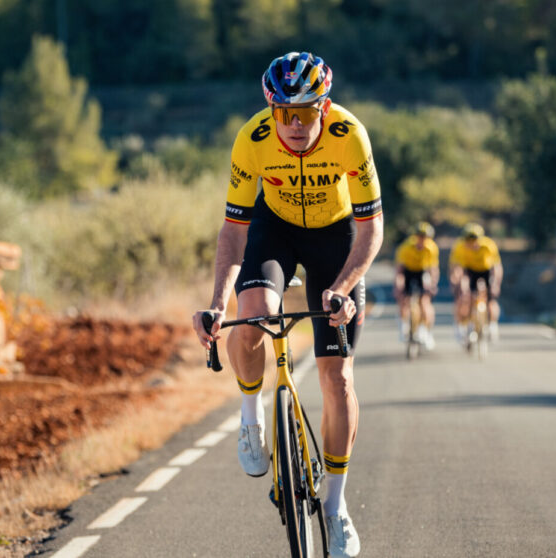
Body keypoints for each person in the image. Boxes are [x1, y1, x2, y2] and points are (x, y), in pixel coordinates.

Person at [192, 51, 382, 558]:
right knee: (252, 315)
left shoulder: (350, 136)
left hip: (335, 240)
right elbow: (234, 232)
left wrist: (343, 287)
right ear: (271, 110)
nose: (295, 125)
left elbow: (370, 229)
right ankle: (251, 414)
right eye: (285, 113)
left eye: (307, 112)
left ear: (325, 106)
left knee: (336, 377)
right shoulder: (251, 140)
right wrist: (215, 303)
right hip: (274, 230)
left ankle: (337, 508)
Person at [448, 222, 503, 343]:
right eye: (468, 240)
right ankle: (462, 325)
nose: (472, 243)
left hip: (485, 270)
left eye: (474, 240)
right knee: (464, 297)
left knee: (491, 300)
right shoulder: (459, 247)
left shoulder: (489, 245)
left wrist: (496, 284)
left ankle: (493, 324)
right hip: (469, 271)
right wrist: (458, 284)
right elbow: (457, 269)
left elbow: (496, 267)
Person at [393, 221, 440, 349]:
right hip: (408, 271)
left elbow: (433, 269)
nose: (422, 240)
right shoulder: (405, 247)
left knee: (425, 301)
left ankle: (426, 331)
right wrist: (398, 286)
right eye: (419, 236)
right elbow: (399, 272)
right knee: (403, 299)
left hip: (422, 271)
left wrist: (433, 284)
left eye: (425, 237)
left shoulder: (431, 248)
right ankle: (404, 326)